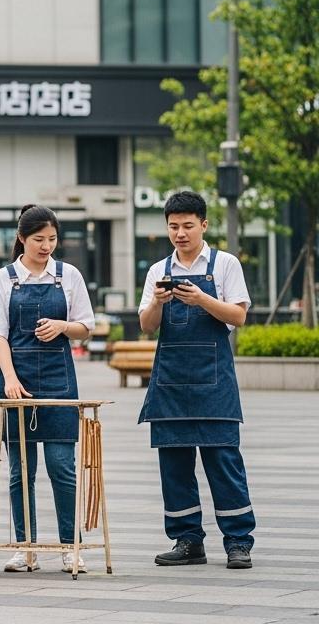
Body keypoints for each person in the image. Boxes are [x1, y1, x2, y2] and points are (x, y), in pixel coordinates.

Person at [138, 190, 254, 570]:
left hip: (214, 380)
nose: (180, 234)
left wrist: (201, 299)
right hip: (170, 382)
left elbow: (237, 317)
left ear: (204, 225)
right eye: (173, 227)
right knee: (174, 466)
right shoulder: (158, 270)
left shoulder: (225, 264)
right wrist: (158, 302)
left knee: (223, 460)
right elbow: (146, 325)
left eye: (188, 226)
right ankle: (187, 540)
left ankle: (238, 542)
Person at [0, 205, 95, 574]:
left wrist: (63, 326)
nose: (46, 246)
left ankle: (69, 545)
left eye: (52, 239)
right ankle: (24, 546)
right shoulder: (4, 278)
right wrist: (9, 378)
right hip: (17, 382)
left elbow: (86, 326)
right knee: (20, 470)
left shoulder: (68, 275)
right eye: (38, 240)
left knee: (62, 467)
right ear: (21, 239)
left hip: (60, 382)